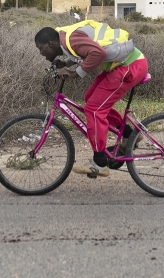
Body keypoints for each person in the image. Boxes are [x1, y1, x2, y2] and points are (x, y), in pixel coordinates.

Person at [34, 20, 148, 177]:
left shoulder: (70, 40)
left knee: (94, 110)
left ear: (50, 43)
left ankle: (99, 163)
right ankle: (129, 134)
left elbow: (98, 53)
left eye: (41, 48)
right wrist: (65, 62)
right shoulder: (64, 39)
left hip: (129, 66)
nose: (41, 53)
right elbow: (83, 50)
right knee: (90, 100)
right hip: (123, 64)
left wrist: (75, 73)